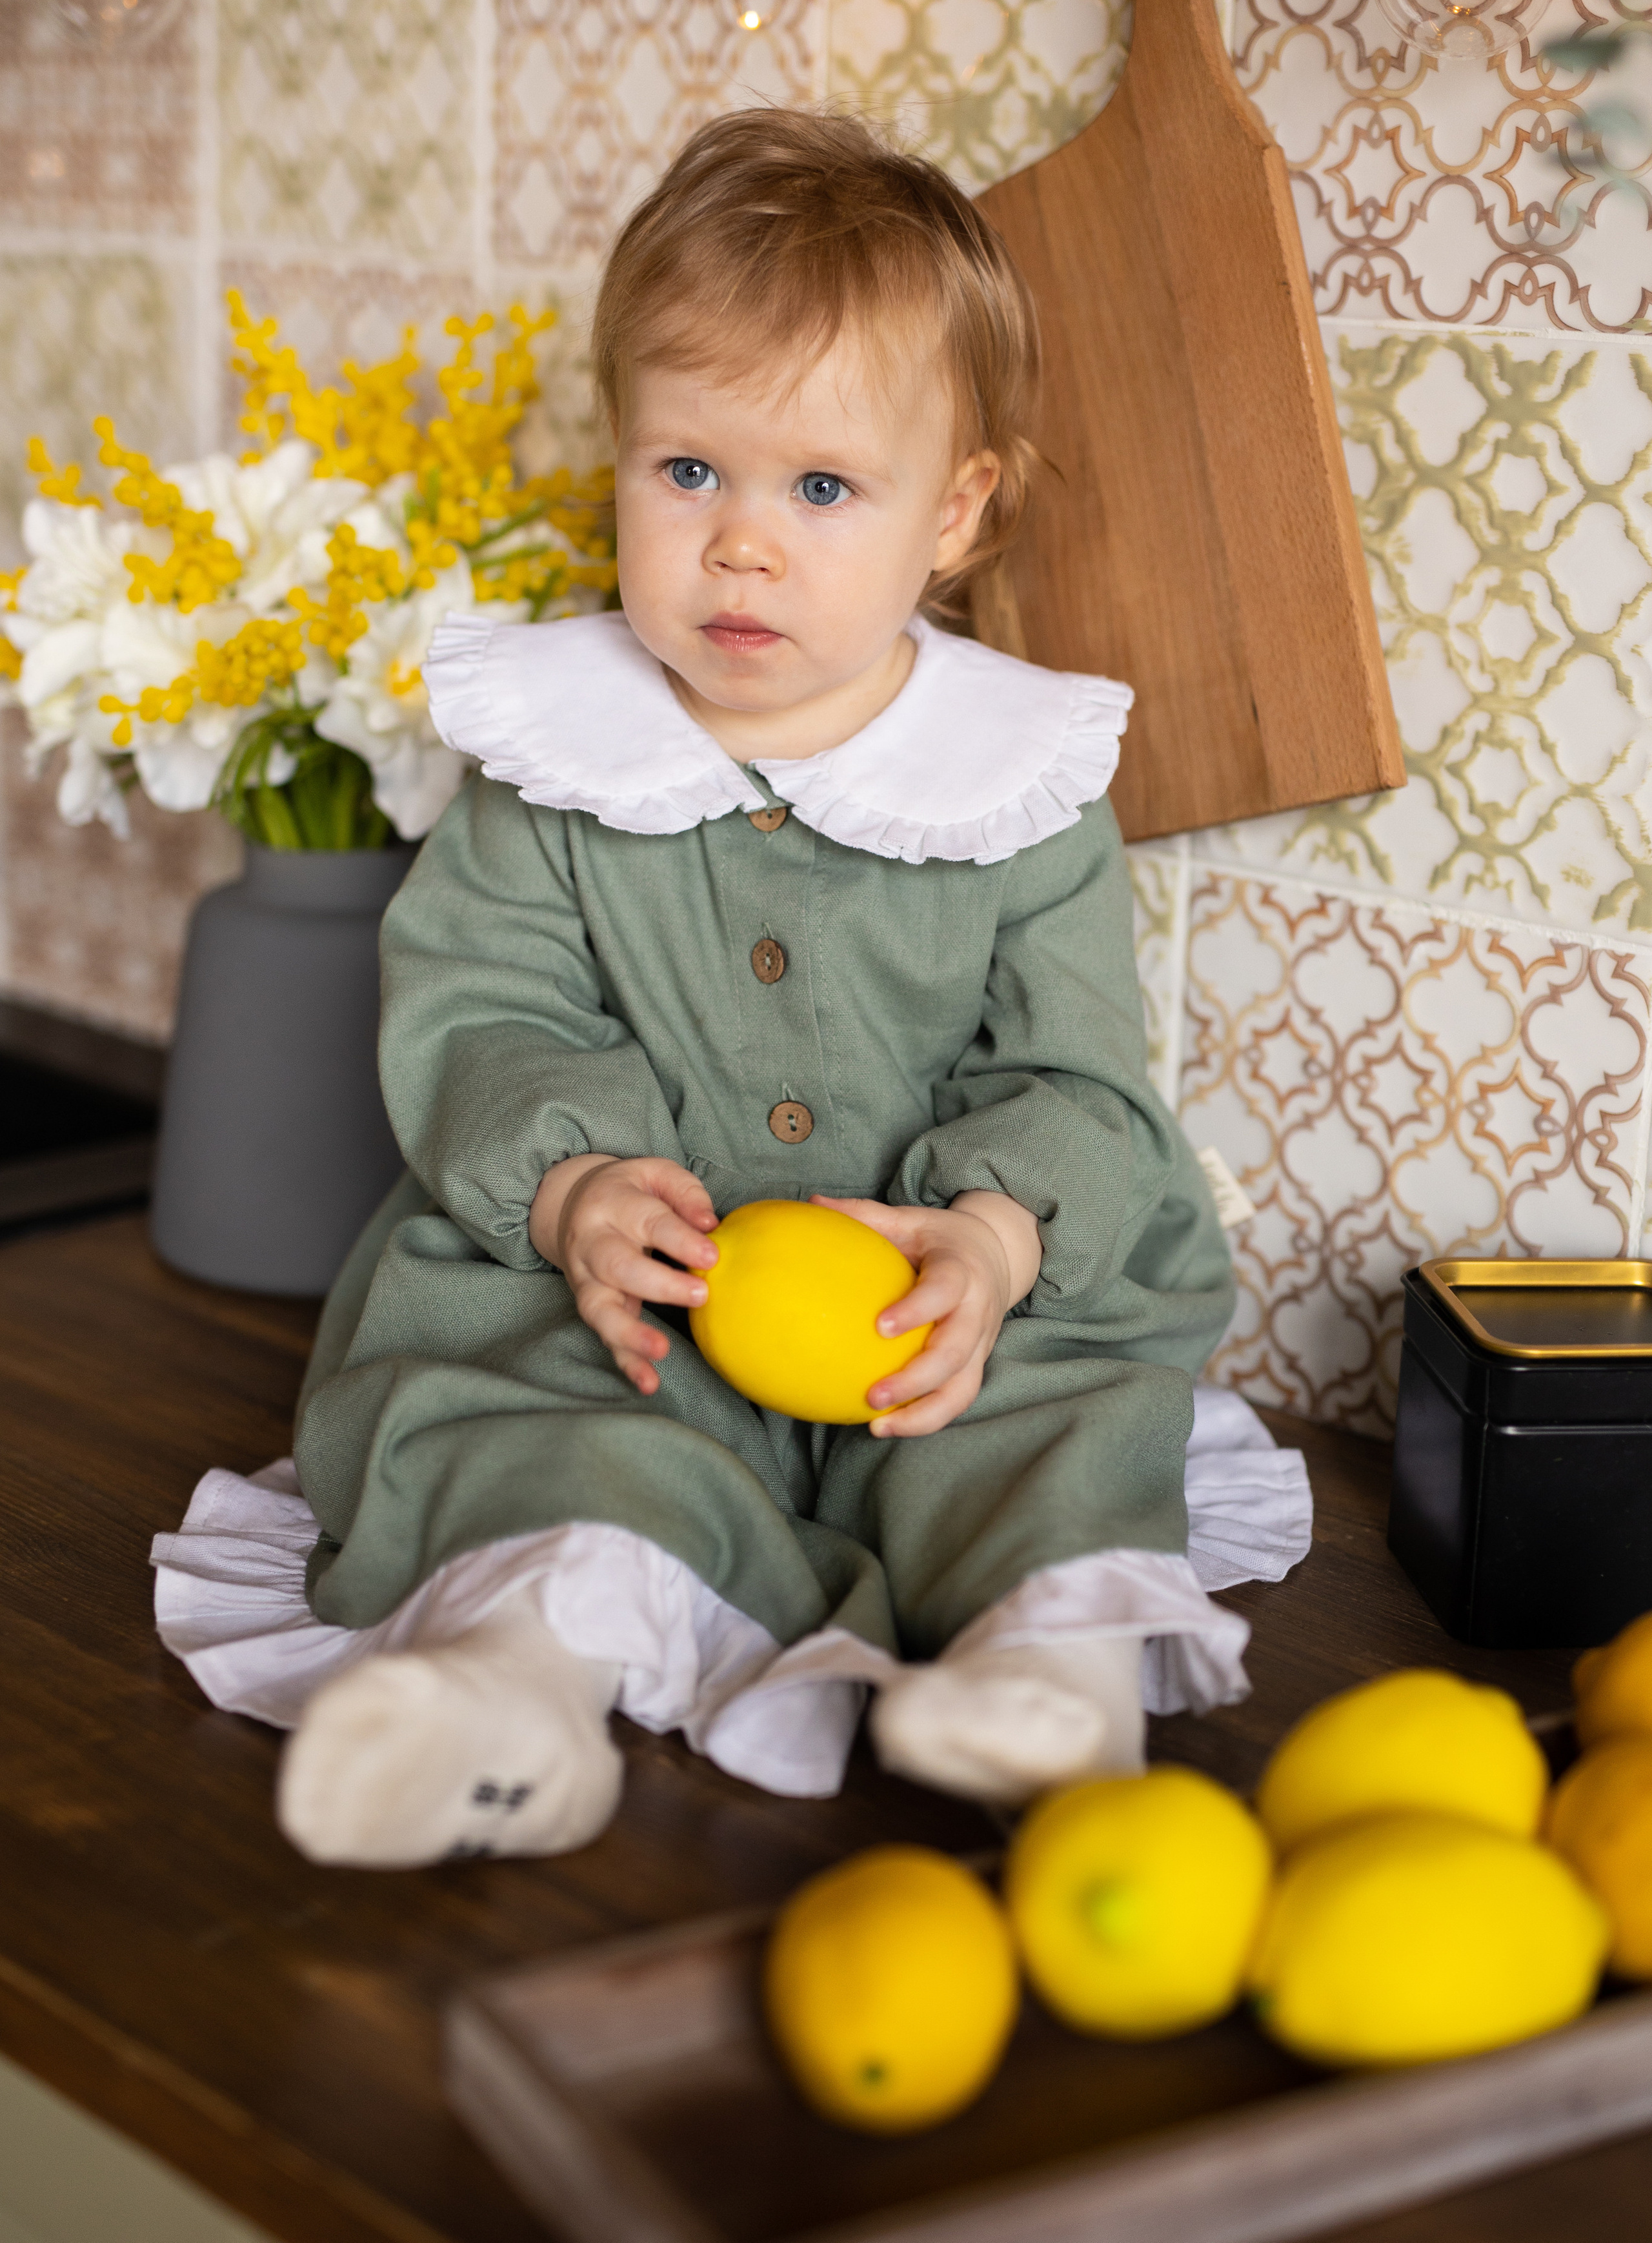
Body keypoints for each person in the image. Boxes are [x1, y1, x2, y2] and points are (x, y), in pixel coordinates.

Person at [153, 109, 1308, 1871]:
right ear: (620, 455)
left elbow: (1078, 1079)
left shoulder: (1017, 783)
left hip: (933, 1310)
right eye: (690, 473)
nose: (742, 545)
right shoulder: (559, 761)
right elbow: (483, 1003)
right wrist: (572, 1185)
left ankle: (1051, 1674)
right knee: (539, 1412)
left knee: (1051, 1414)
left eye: (822, 489)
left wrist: (993, 1241)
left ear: (956, 512)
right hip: (635, 1306)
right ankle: (513, 1691)